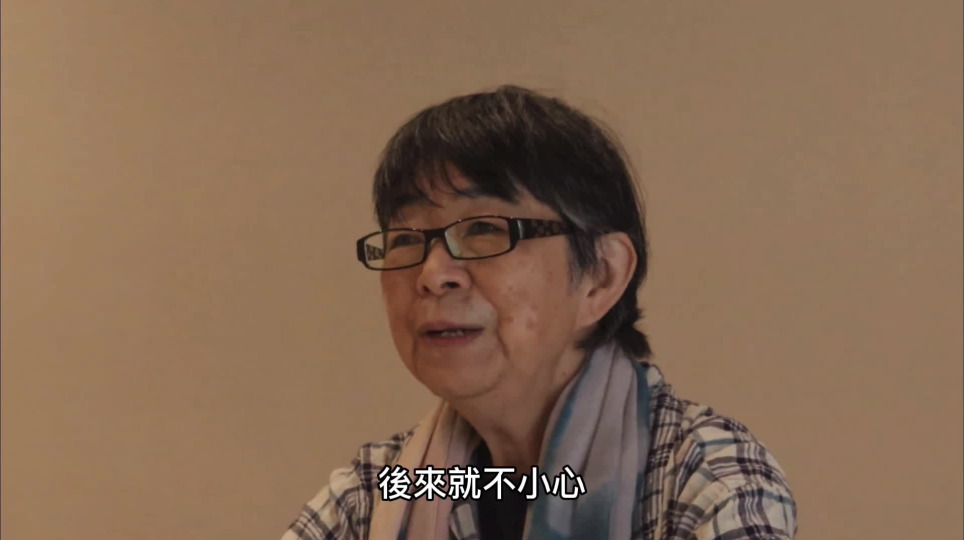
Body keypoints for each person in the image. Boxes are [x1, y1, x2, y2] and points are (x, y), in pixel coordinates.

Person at [282, 86, 797, 540]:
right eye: (405, 239)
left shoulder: (701, 477)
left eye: (483, 229)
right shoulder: (376, 492)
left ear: (601, 276)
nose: (433, 274)